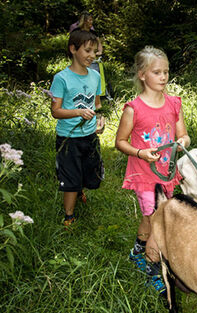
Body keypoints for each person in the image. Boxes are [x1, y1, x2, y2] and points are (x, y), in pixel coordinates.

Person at [115, 46, 190, 294]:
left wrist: (182, 143)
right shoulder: (133, 108)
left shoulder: (174, 104)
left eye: (166, 72)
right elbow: (120, 142)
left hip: (166, 174)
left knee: (150, 218)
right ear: (142, 75)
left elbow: (183, 135)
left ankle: (138, 251)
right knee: (159, 220)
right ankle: (153, 270)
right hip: (144, 175)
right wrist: (140, 153)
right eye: (157, 72)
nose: (163, 77)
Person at [49, 30, 106, 227]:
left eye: (95, 52)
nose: (92, 56)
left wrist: (100, 120)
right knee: (70, 177)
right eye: (87, 50)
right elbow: (55, 111)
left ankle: (79, 187)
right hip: (68, 138)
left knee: (92, 175)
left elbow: (97, 105)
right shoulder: (61, 79)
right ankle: (69, 216)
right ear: (73, 49)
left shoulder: (95, 76)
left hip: (89, 135)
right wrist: (78, 113)